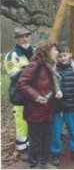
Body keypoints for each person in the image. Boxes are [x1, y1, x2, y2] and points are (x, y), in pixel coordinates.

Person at [17, 40, 63, 169]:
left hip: (48, 109)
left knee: (47, 138)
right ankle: (33, 165)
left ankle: (44, 163)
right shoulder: (35, 65)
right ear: (46, 52)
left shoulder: (50, 65)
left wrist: (57, 91)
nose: (57, 52)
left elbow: (53, 83)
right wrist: (36, 97)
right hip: (35, 111)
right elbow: (22, 83)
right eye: (54, 50)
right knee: (35, 140)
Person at [50, 45, 74, 166]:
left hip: (71, 106)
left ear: (69, 54)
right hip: (57, 106)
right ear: (57, 57)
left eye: (64, 55)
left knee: (72, 130)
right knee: (56, 131)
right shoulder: (53, 69)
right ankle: (55, 152)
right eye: (60, 56)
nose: (63, 58)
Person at [3, 27, 34, 159]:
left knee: (35, 120)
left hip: (36, 93)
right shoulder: (11, 56)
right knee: (22, 123)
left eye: (26, 36)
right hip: (21, 95)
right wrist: (32, 72)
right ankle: (23, 150)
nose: (24, 39)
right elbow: (15, 77)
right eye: (21, 37)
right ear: (16, 39)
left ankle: (34, 146)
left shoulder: (37, 51)